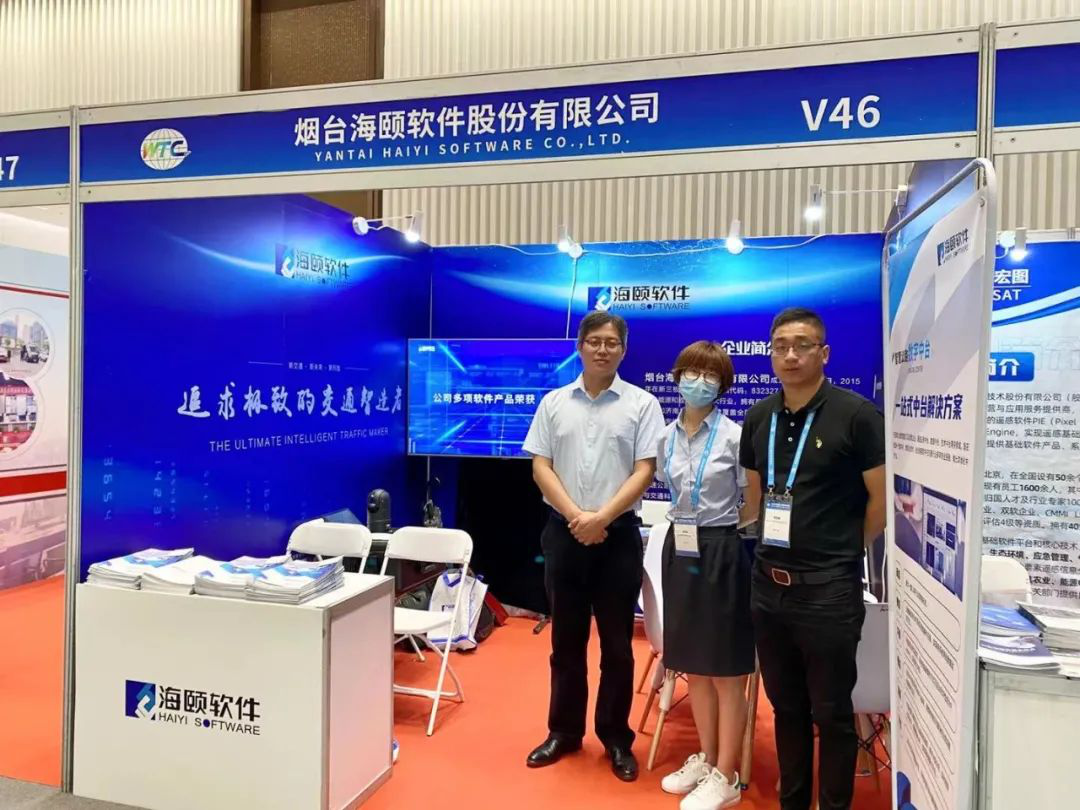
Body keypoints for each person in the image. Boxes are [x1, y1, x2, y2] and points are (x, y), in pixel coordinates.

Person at [739, 307, 886, 810]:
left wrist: (840, 550)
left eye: (802, 345)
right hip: (768, 585)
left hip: (827, 590)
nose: (790, 355)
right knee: (786, 709)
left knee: (832, 713)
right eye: (780, 346)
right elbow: (756, 498)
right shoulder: (758, 417)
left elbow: (880, 502)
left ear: (824, 353)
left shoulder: (857, 416)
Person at [523, 310, 664, 782]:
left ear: (624, 349)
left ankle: (616, 737)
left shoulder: (642, 404)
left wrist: (601, 518)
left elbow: (645, 469)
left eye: (612, 342)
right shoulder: (554, 403)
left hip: (617, 536)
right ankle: (563, 732)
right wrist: (576, 517)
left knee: (618, 646)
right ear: (580, 346)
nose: (603, 349)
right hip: (563, 533)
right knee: (565, 641)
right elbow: (540, 466)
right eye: (594, 341)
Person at [656, 341, 760, 810]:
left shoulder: (736, 437)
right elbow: (670, 485)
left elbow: (753, 501)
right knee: (695, 667)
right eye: (692, 372)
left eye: (710, 375)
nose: (699, 382)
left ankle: (728, 775)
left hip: (721, 548)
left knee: (726, 671)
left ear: (722, 385)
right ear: (677, 377)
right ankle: (708, 758)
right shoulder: (665, 436)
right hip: (681, 547)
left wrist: (732, 541)